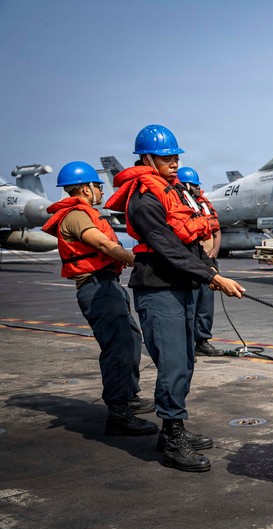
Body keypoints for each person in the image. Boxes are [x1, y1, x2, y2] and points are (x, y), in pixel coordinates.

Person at [105, 124, 245, 473]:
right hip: (158, 288)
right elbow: (166, 246)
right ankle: (172, 437)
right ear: (147, 158)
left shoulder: (177, 192)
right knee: (172, 364)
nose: (173, 161)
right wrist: (213, 276)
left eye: (176, 156)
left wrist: (207, 274)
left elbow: (192, 241)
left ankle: (173, 428)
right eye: (166, 157)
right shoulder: (144, 198)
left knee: (185, 361)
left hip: (181, 286)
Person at [42, 161, 158, 436]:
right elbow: (104, 244)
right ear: (85, 188)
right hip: (97, 289)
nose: (102, 192)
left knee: (130, 340)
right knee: (118, 347)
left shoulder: (85, 213)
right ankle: (118, 414)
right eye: (99, 186)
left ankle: (128, 396)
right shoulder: (76, 216)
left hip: (107, 285)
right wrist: (140, 261)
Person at [176, 167, 224, 358]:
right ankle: (186, 345)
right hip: (191, 263)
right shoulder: (180, 204)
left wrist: (214, 252)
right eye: (195, 186)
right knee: (190, 304)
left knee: (205, 304)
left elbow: (216, 231)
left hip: (208, 262)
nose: (199, 190)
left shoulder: (204, 205)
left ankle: (202, 341)